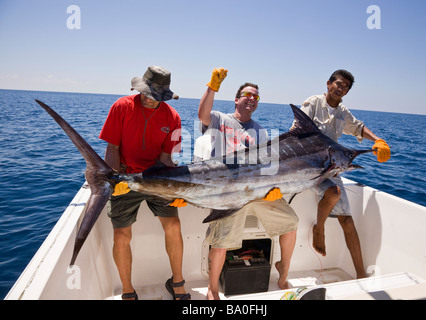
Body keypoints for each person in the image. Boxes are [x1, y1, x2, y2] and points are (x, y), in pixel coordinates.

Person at [196, 67, 299, 300]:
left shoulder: (261, 131)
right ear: (236, 99)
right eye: (247, 95)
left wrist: (273, 189)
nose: (252, 98)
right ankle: (212, 289)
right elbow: (202, 114)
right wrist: (212, 86)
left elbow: (269, 166)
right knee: (221, 241)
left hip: (258, 191)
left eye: (256, 97)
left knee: (291, 221)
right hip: (228, 193)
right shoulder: (220, 119)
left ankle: (283, 272)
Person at [99, 66, 191, 300]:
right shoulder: (122, 107)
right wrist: (113, 178)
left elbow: (166, 159)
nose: (150, 99)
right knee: (121, 235)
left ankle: (177, 283)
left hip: (157, 180)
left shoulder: (173, 117)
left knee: (174, 227)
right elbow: (113, 148)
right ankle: (128, 290)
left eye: (156, 96)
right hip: (125, 177)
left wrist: (176, 191)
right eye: (147, 93)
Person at [292, 69, 391, 279]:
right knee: (334, 192)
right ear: (328, 84)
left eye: (345, 87)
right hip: (306, 168)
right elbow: (296, 132)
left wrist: (378, 140)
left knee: (347, 220)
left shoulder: (343, 112)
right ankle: (319, 229)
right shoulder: (313, 103)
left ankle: (361, 274)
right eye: (338, 84)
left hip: (330, 169)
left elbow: (358, 128)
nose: (341, 88)